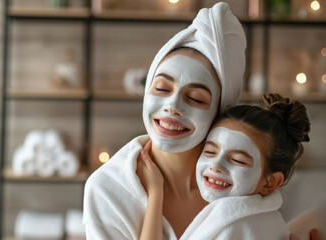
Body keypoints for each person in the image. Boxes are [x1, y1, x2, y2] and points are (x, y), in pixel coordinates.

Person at [83, 2, 246, 239]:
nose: (172, 107)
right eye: (161, 88)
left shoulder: (240, 183)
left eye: (195, 98)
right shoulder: (108, 188)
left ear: (219, 111)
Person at [138, 93, 311, 239]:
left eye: (238, 160)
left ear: (270, 182)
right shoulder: (258, 219)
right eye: (210, 152)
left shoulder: (237, 227)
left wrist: (155, 193)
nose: (216, 165)